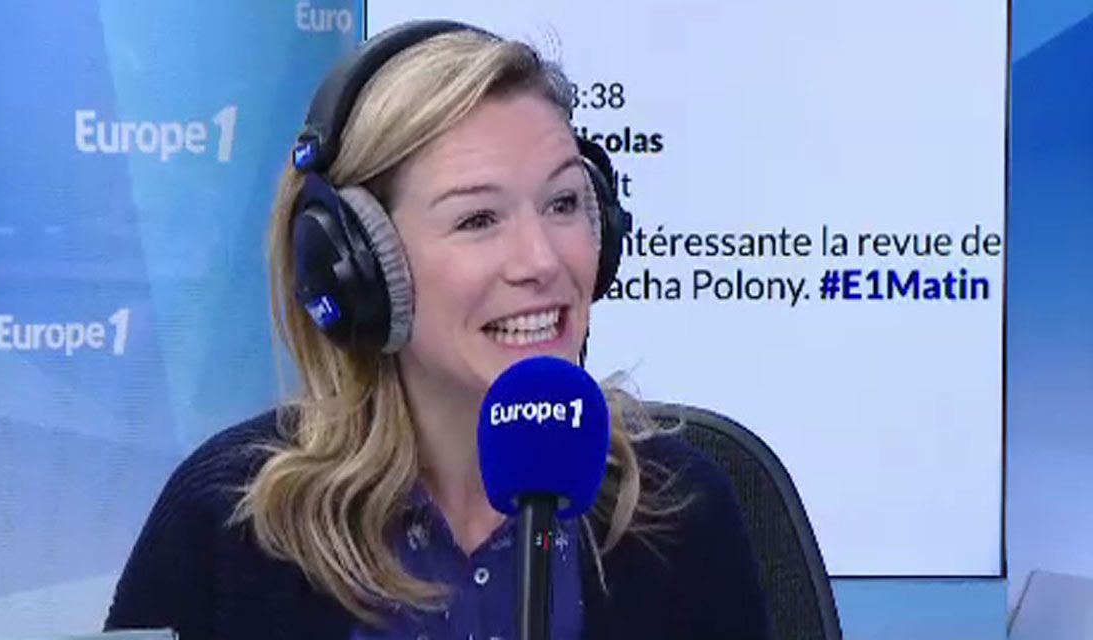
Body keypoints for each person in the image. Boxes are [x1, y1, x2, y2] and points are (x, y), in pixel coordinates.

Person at [104, 19, 772, 640]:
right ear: (357, 266)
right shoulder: (227, 520)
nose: (542, 260)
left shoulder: (679, 509)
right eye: (478, 220)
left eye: (564, 203)